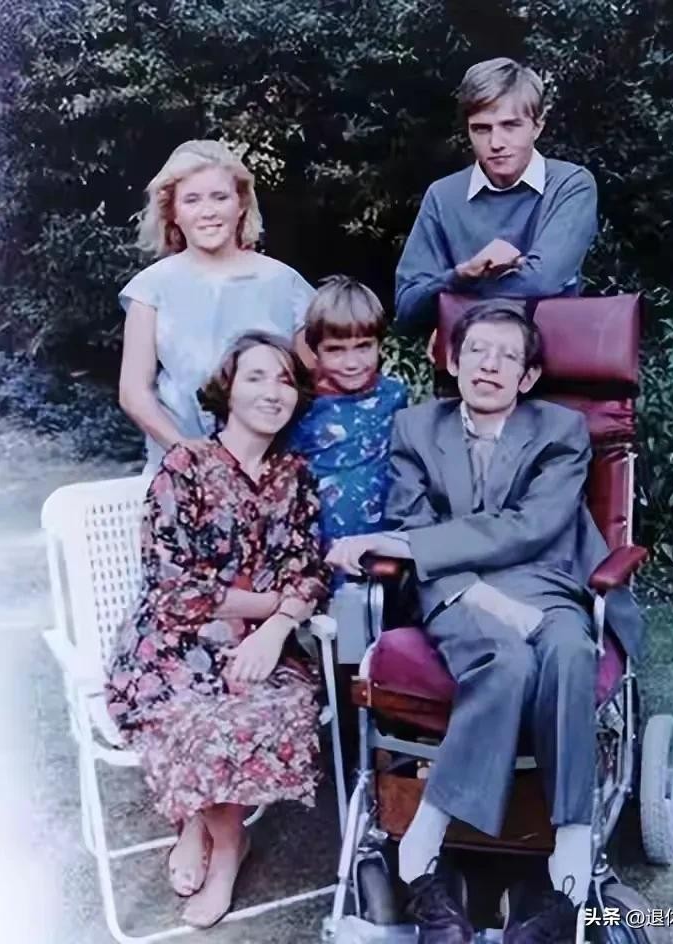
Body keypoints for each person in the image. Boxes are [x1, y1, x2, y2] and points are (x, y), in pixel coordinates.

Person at [327, 301, 642, 943]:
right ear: (451, 360)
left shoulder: (560, 430)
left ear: (528, 376)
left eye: (507, 356)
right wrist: (458, 579)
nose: (489, 365)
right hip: (457, 590)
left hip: (544, 581)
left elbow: (532, 526)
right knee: (507, 661)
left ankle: (571, 843)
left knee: (569, 651)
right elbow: (412, 520)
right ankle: (430, 831)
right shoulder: (417, 428)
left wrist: (405, 546)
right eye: (476, 351)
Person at [106, 332, 328, 930]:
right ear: (227, 389)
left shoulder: (295, 476)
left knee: (270, 704)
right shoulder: (185, 466)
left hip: (260, 642)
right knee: (198, 718)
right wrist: (269, 601)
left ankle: (205, 829)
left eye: (285, 380)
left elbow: (310, 572)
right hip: (170, 643)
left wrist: (273, 630)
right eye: (256, 376)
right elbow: (171, 584)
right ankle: (225, 841)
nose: (273, 391)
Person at [118, 139, 316, 472]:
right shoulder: (150, 289)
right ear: (173, 212)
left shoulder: (286, 283)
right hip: (181, 470)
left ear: (241, 204)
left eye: (220, 197)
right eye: (192, 200)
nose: (208, 211)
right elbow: (134, 392)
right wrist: (185, 450)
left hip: (271, 469)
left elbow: (314, 380)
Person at [395, 58, 598, 335]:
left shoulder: (570, 185)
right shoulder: (443, 196)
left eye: (510, 125)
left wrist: (454, 297)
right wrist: (462, 273)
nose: (496, 143)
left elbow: (543, 281)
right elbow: (407, 306)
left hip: (553, 353)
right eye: (481, 128)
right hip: (467, 360)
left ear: (537, 126)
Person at [289, 275, 408, 552]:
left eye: (363, 346)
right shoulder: (300, 405)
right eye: (335, 350)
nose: (352, 363)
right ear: (315, 350)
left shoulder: (394, 396)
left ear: (380, 343)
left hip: (381, 545)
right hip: (315, 546)